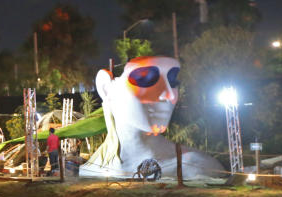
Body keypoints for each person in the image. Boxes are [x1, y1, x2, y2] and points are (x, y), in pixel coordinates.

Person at [79, 56, 224, 180]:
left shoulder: (194, 166)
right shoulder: (93, 168)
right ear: (106, 88)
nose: (170, 95)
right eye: (146, 79)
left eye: (173, 81)